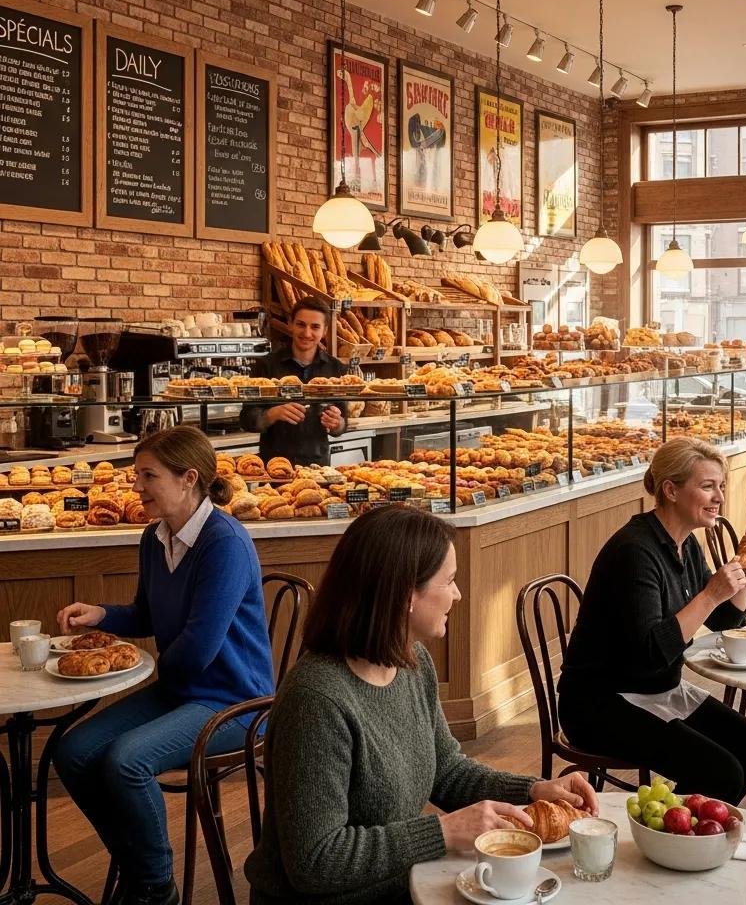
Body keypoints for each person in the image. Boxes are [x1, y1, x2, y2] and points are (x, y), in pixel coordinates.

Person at [244, 505, 598, 905]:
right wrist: (442, 833)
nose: (458, 594)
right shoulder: (318, 700)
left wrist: (534, 790)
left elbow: (446, 771)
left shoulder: (411, 661)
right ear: (405, 594)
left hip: (401, 882)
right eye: (449, 580)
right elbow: (315, 861)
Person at [54, 427, 275, 905]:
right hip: (183, 690)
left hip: (235, 700)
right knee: (71, 753)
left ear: (188, 478)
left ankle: (156, 887)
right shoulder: (154, 539)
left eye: (148, 476)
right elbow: (147, 614)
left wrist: (143, 665)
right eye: (137, 476)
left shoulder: (225, 544)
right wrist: (102, 615)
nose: (137, 488)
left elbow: (197, 648)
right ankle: (140, 865)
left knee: (126, 761)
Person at [557, 438, 746, 804]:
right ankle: (665, 832)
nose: (719, 497)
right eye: (707, 486)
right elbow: (649, 655)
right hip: (600, 702)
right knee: (721, 772)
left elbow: (725, 619)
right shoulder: (635, 551)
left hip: (655, 689)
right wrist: (710, 594)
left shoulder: (685, 543)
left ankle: (675, 824)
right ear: (671, 490)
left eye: (720, 486)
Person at [239, 296, 347, 465]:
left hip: (318, 469)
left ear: (325, 330)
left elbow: (342, 424)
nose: (307, 333)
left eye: (315, 327)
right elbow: (246, 419)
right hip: (273, 468)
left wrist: (336, 423)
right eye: (301, 324)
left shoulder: (336, 369)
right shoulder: (266, 365)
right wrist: (272, 414)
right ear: (291, 324)